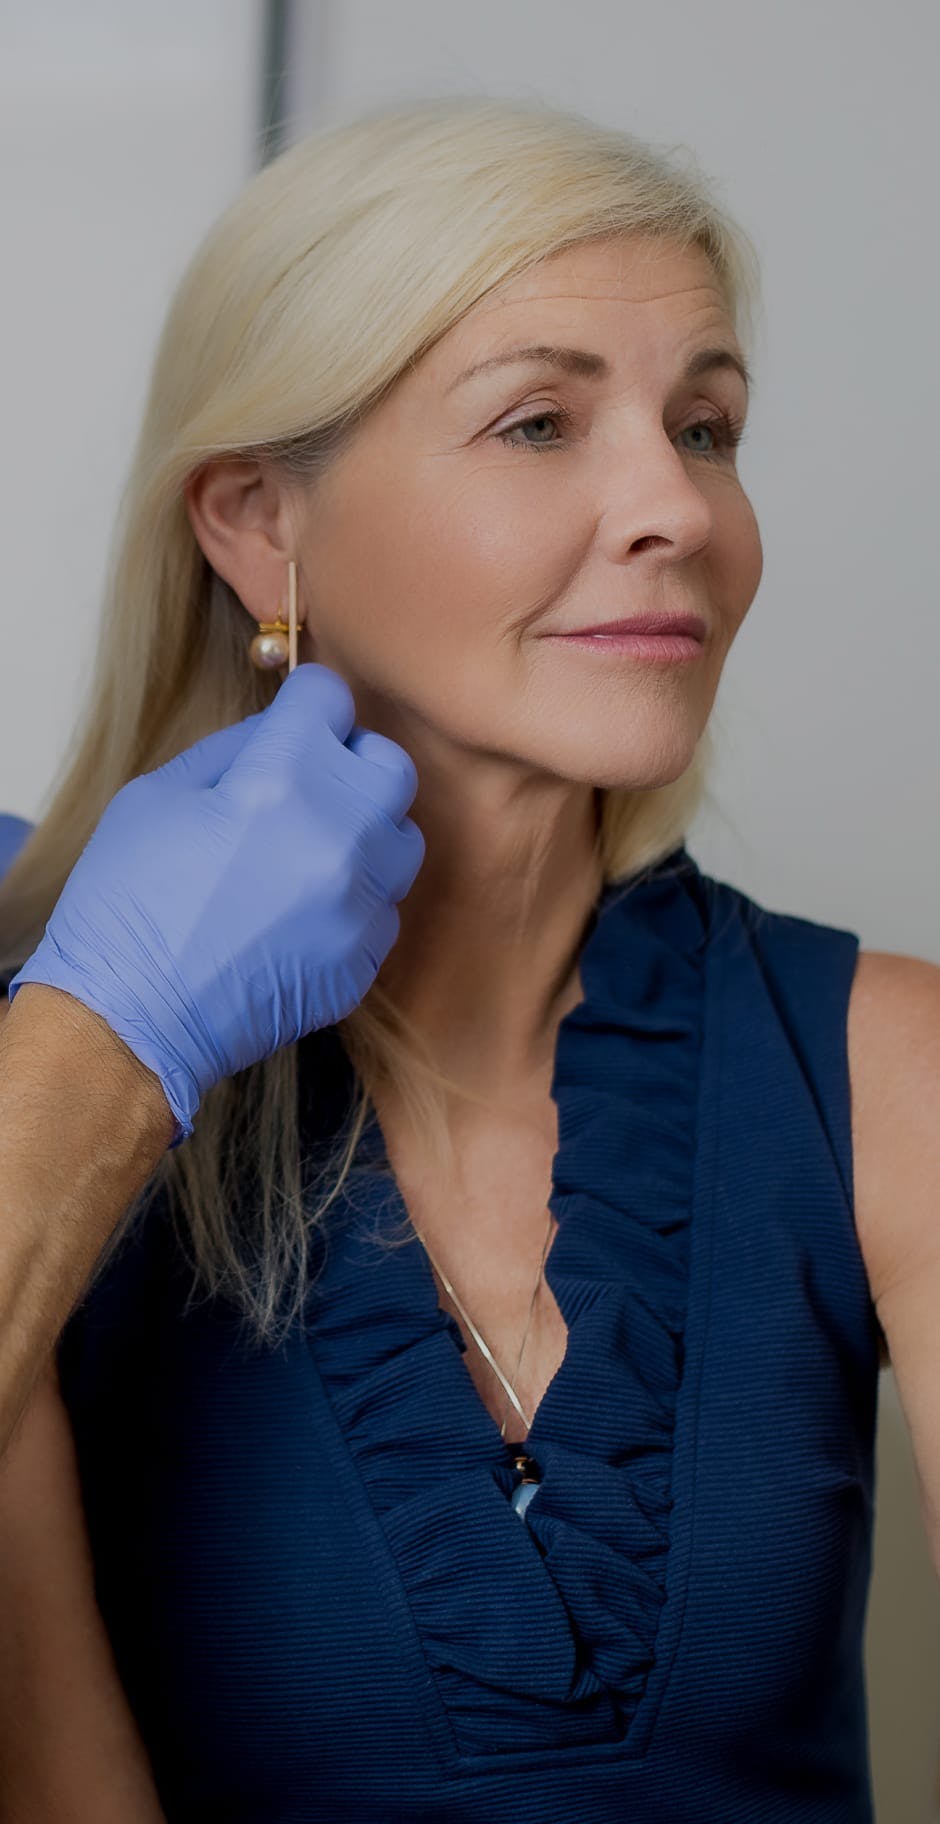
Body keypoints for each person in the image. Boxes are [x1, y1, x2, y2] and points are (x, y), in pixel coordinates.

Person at [0, 91, 937, 1824]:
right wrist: (92, 1048)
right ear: (257, 526)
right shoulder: (53, 1084)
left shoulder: (889, 1069)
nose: (678, 507)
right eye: (537, 424)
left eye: (709, 428)